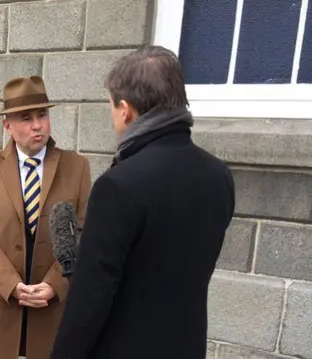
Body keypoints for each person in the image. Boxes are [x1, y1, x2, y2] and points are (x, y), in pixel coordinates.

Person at [49, 45, 236, 359]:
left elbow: (90, 300)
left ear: (126, 109)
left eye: (111, 107)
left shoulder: (118, 185)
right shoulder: (219, 176)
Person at [0, 75, 92, 359]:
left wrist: (55, 284)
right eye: (26, 118)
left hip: (53, 310)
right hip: (1, 304)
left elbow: (85, 232)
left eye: (42, 114)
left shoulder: (77, 167)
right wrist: (11, 284)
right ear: (7, 125)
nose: (38, 125)